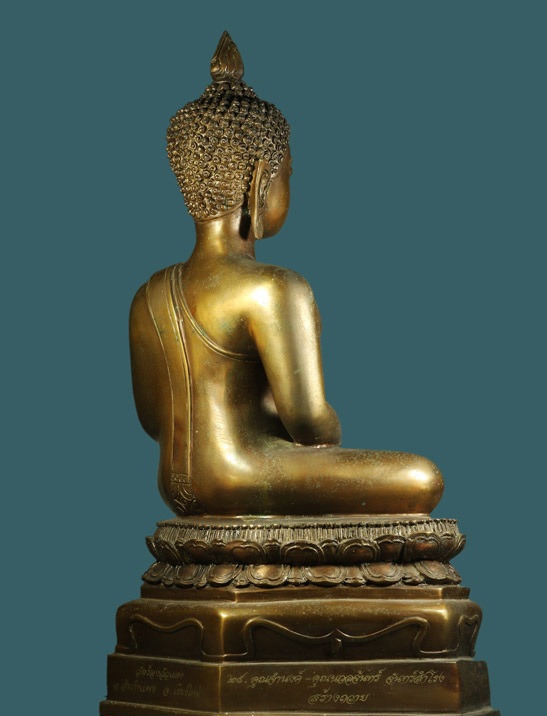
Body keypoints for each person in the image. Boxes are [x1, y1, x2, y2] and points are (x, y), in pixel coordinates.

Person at [129, 33, 443, 517]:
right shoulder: (272, 288)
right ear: (260, 181)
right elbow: (309, 423)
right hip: (247, 475)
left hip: (179, 488)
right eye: (288, 174)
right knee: (422, 477)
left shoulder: (148, 295)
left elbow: (153, 421)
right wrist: (328, 431)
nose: (288, 184)